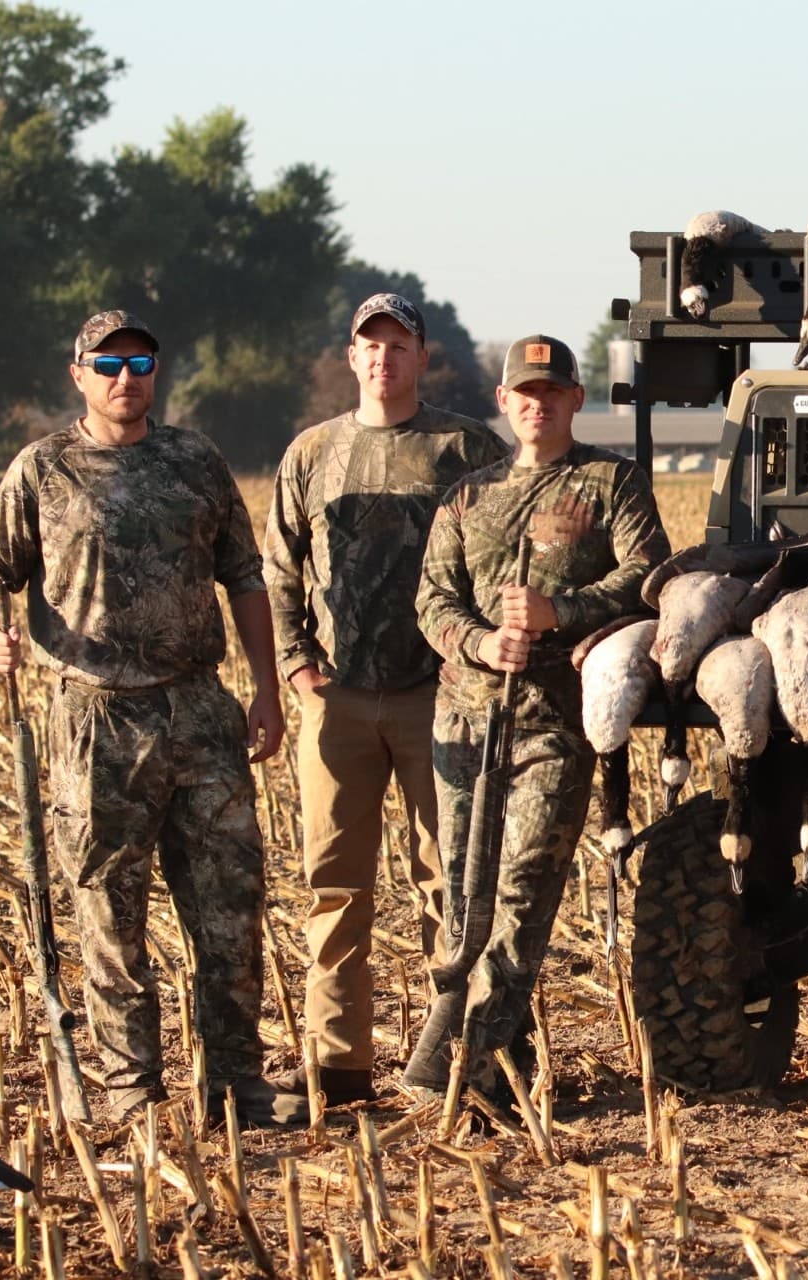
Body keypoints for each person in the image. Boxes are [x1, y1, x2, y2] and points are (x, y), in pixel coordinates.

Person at [0, 311, 306, 1127]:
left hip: (199, 709)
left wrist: (264, 691)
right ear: (79, 373)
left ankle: (239, 1085)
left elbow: (246, 578)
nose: (126, 377)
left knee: (231, 910)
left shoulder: (195, 460)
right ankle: (133, 1092)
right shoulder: (44, 469)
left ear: (156, 373)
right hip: (94, 718)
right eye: (109, 364)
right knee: (109, 915)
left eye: (140, 362)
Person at [402, 334, 669, 1095]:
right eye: (524, 392)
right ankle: (503, 1065)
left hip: (553, 722)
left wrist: (563, 611)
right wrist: (480, 644)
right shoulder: (468, 495)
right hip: (463, 722)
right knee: (464, 897)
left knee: (522, 894)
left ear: (576, 399)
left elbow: (649, 574)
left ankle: (467, 1070)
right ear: (504, 403)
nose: (537, 404)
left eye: (552, 392)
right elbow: (432, 600)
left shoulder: (609, 483)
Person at [263, 294, 511, 1104]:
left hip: (439, 700)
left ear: (421, 354)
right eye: (370, 345)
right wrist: (298, 667)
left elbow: (502, 559)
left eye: (397, 345)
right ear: (351, 356)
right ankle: (337, 1068)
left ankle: (459, 1060)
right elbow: (278, 575)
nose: (382, 358)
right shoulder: (312, 452)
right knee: (335, 887)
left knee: (454, 884)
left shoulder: (465, 447)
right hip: (336, 704)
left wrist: (472, 662)